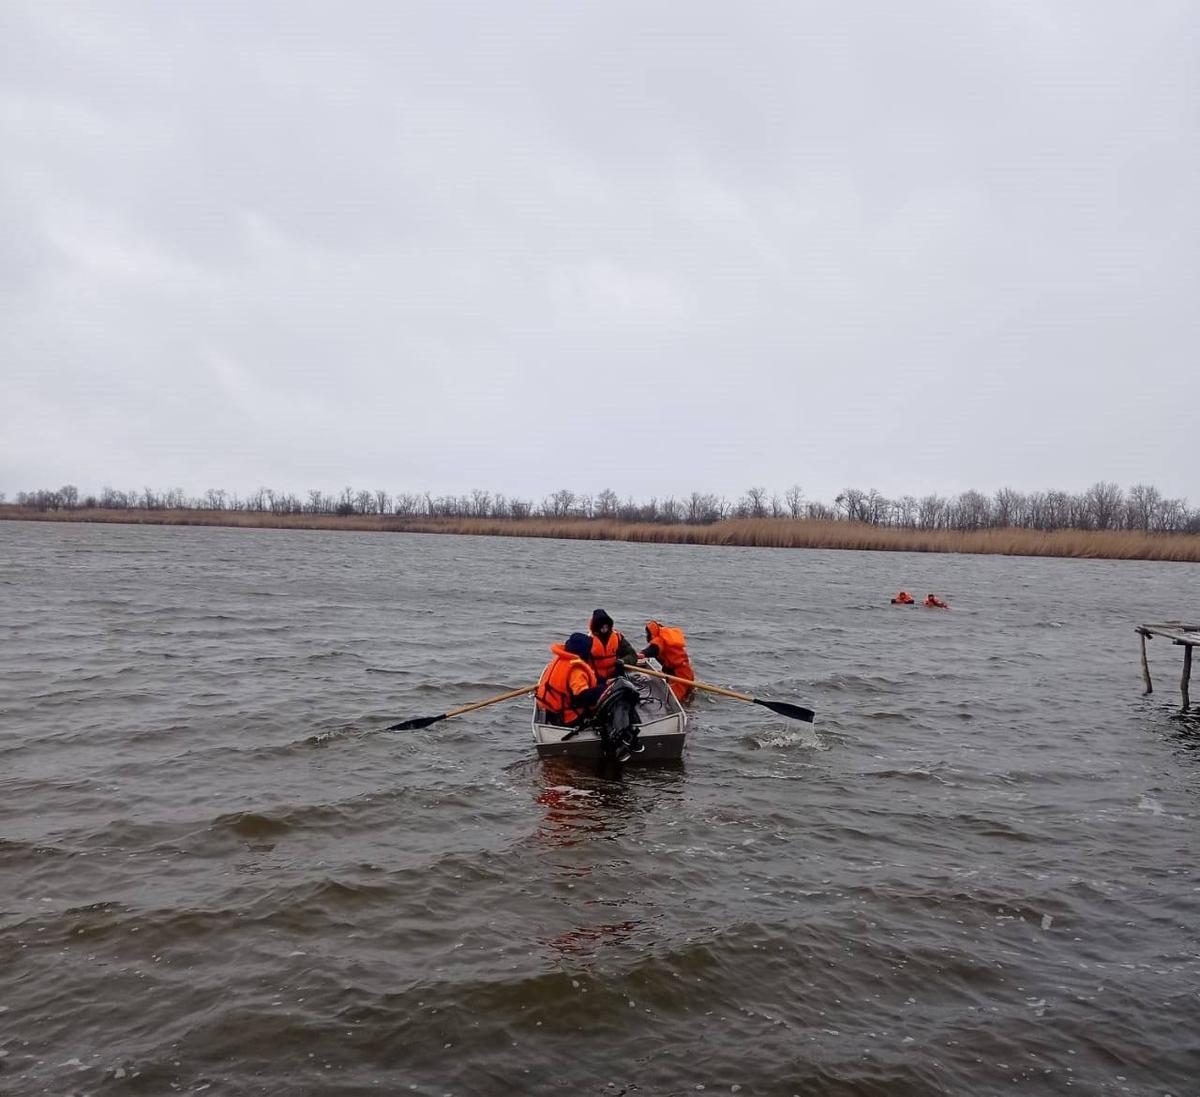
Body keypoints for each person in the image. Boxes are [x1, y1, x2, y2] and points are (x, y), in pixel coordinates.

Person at [535, 632, 606, 727]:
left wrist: (603, 681)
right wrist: (605, 689)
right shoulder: (576, 670)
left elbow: (586, 679)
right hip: (566, 717)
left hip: (549, 709)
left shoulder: (560, 659)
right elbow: (582, 697)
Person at [640, 619, 695, 703]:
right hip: (685, 672)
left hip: (680, 675)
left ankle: (687, 714)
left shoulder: (659, 640)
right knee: (688, 697)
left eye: (647, 633)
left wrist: (642, 654)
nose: (647, 636)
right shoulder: (665, 638)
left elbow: (654, 649)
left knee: (676, 700)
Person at [588, 608, 640, 684]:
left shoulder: (617, 638)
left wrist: (623, 661)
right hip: (597, 679)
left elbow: (632, 655)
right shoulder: (588, 640)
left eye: (606, 626)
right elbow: (581, 663)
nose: (604, 629)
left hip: (615, 676)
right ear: (596, 627)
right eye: (601, 627)